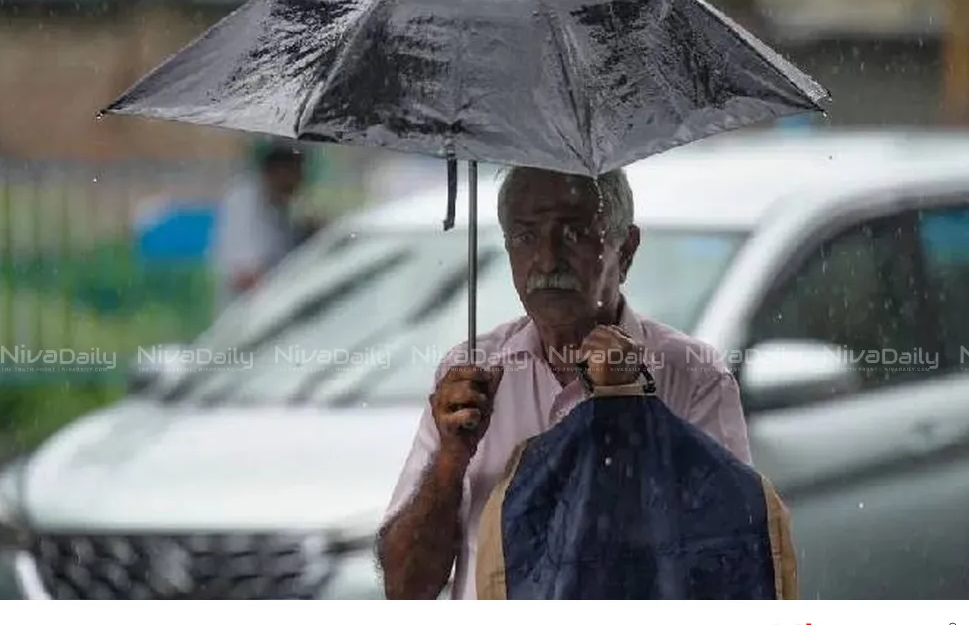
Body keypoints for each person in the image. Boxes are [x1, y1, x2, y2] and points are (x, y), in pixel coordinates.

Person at [376, 165, 752, 600]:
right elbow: (406, 587)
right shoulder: (469, 375)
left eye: (573, 233)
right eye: (526, 236)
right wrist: (450, 460)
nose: (548, 259)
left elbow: (729, 568)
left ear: (625, 250)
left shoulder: (692, 374)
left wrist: (631, 411)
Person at [213, 140, 314, 306]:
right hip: (248, 313)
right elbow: (245, 274)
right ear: (279, 170)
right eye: (297, 171)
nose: (301, 180)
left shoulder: (279, 208)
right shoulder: (244, 201)